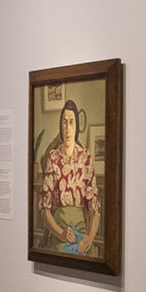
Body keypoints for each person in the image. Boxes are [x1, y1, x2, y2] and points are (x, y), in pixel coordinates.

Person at [39, 99, 100, 256]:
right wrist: (60, 233)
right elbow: (44, 210)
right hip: (59, 231)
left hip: (82, 232)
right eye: (64, 122)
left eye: (71, 122)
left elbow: (95, 211)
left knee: (89, 255)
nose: (67, 128)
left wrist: (90, 238)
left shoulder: (85, 158)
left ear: (77, 125)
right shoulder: (53, 158)